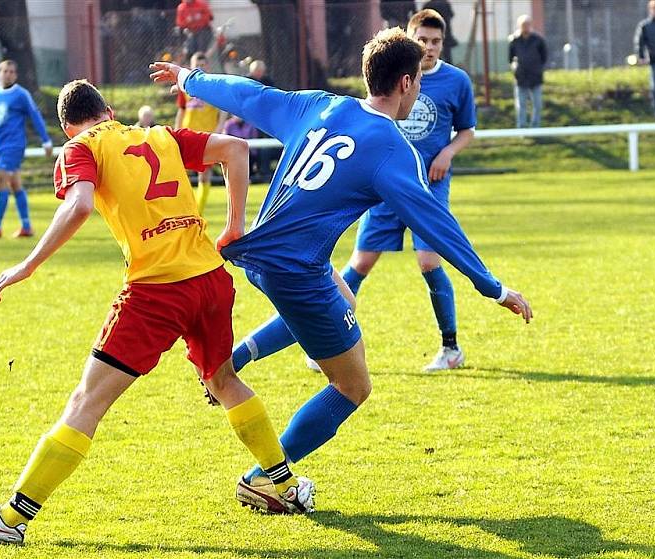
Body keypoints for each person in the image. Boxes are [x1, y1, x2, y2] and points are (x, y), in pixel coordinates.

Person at [150, 27, 532, 511]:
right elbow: (438, 225)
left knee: (343, 298)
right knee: (353, 385)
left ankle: (238, 357)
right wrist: (493, 288)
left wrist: (189, 77)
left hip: (261, 255)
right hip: (295, 270)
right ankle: (265, 478)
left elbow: (251, 95)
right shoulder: (392, 149)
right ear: (409, 83)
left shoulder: (321, 105)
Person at [0, 79, 315, 545]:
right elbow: (236, 150)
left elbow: (78, 206)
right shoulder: (158, 134)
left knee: (86, 401)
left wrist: (28, 264)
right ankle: (284, 486)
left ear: (67, 129)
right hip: (211, 282)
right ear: (109, 110)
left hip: (157, 293)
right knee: (224, 381)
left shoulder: (79, 148)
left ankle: (11, 519)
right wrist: (234, 226)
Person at [234, 8, 479, 372]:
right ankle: (323, 338)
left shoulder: (456, 82)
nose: (429, 47)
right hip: (378, 189)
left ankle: (450, 346)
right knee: (359, 264)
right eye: (422, 40)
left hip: (427, 186)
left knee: (429, 260)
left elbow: (467, 130)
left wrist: (446, 152)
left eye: (435, 41)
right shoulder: (384, 87)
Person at [0, 59, 53, 239]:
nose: (8, 74)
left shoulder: (21, 94)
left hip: (14, 145)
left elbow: (35, 116)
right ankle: (26, 226)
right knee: (15, 184)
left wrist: (46, 140)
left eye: (12, 71)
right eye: (5, 71)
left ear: (15, 75)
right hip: (0, 144)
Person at [175, 51, 227, 214]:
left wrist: (219, 128)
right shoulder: (184, 87)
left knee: (204, 175)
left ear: (208, 67)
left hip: (206, 135)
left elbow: (223, 109)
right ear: (191, 66)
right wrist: (176, 130)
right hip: (187, 134)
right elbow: (182, 110)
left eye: (203, 65)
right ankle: (183, 209)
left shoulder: (213, 86)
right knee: (180, 172)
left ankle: (198, 211)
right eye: (197, 65)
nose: (199, 67)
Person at [508, 14, 547, 129]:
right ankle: (522, 127)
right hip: (521, 77)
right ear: (519, 26)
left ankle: (535, 127)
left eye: (527, 24)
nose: (525, 27)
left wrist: (538, 68)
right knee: (521, 105)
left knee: (538, 105)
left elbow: (544, 56)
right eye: (523, 25)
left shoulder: (538, 40)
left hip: (535, 76)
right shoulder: (514, 40)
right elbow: (510, 58)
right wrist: (516, 69)